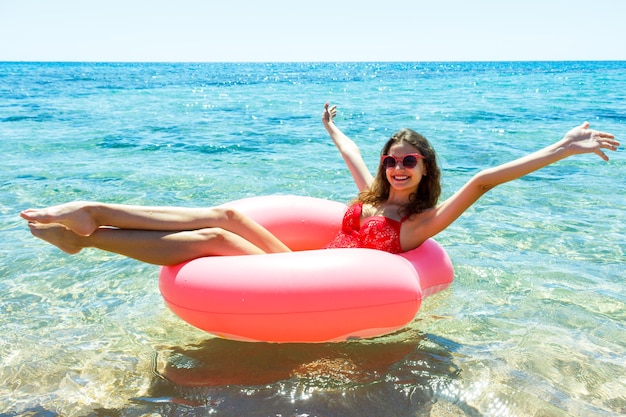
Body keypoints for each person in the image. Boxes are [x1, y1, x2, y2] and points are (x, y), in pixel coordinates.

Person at [21, 103, 619, 265]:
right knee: (227, 215)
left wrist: (563, 148)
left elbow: (487, 179)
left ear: (426, 170)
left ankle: (89, 233)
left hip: (310, 274)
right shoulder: (370, 199)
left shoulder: (418, 224)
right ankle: (89, 217)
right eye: (393, 160)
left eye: (410, 161)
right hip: (299, 262)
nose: (397, 167)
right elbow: (356, 156)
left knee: (224, 237)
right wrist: (335, 130)